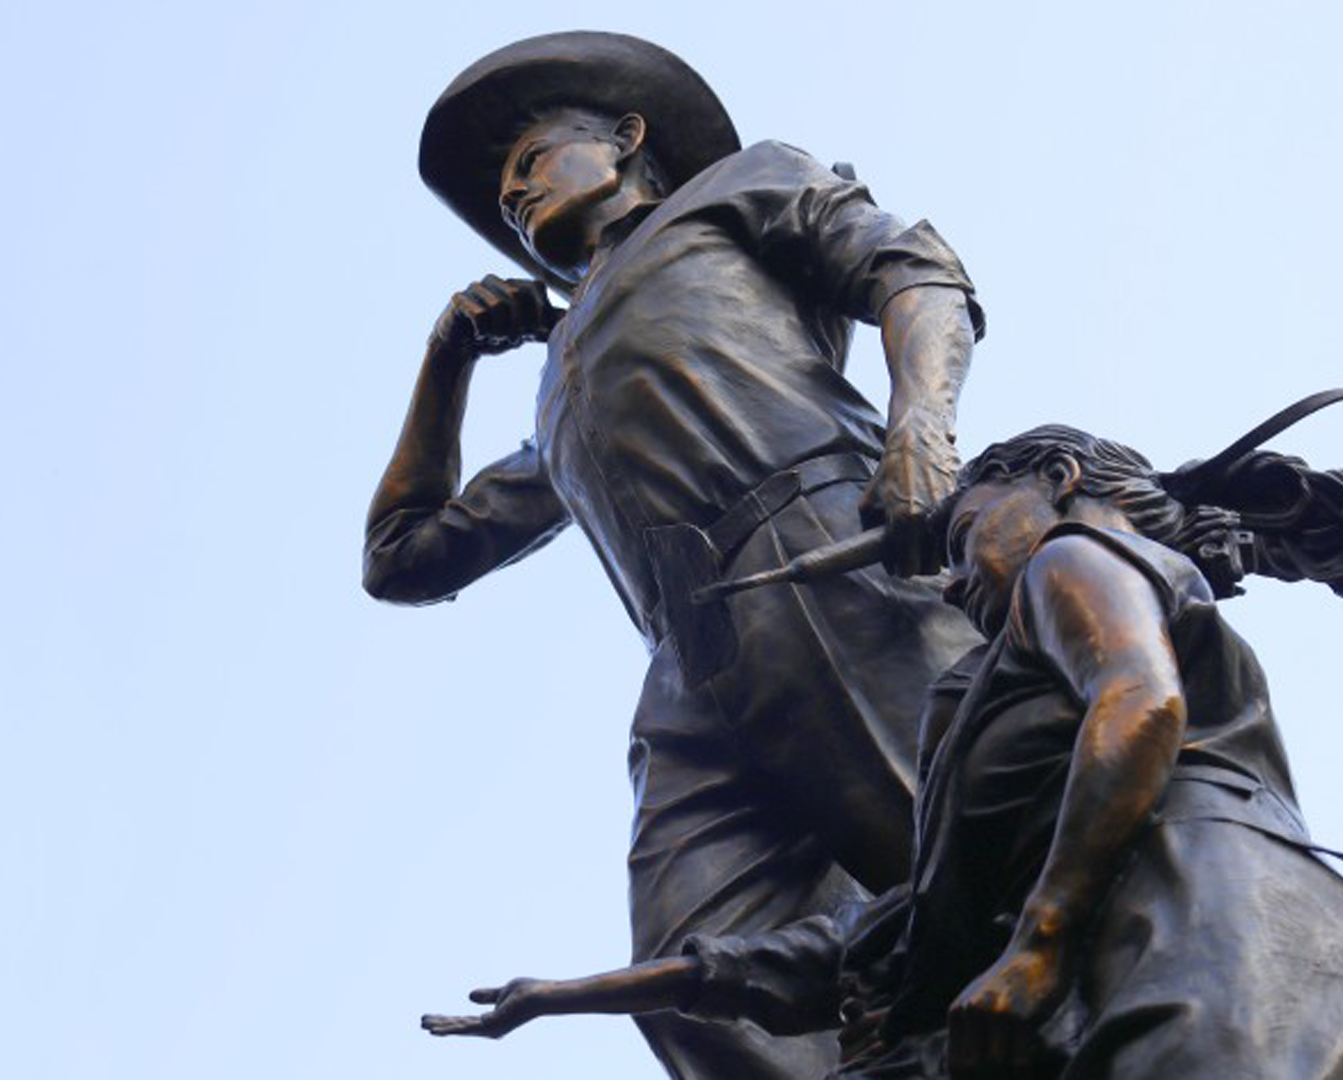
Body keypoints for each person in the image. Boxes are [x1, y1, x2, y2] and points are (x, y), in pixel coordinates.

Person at [422, 425, 1343, 1080]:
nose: (953, 580)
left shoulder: (1073, 561)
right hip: (1172, 954)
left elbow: (1139, 706)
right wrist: (568, 993)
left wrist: (1038, 948)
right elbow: (854, 939)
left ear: (1051, 481)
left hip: (1209, 943)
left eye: (962, 538)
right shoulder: (997, 691)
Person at [365, 32, 985, 1080]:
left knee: (981, 872)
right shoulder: (559, 377)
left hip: (834, 564)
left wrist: (920, 424)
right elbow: (402, 555)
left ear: (625, 139)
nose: (511, 189)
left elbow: (914, 270)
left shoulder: (734, 191)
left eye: (530, 156)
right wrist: (448, 358)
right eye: (500, 188)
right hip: (693, 671)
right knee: (691, 974)